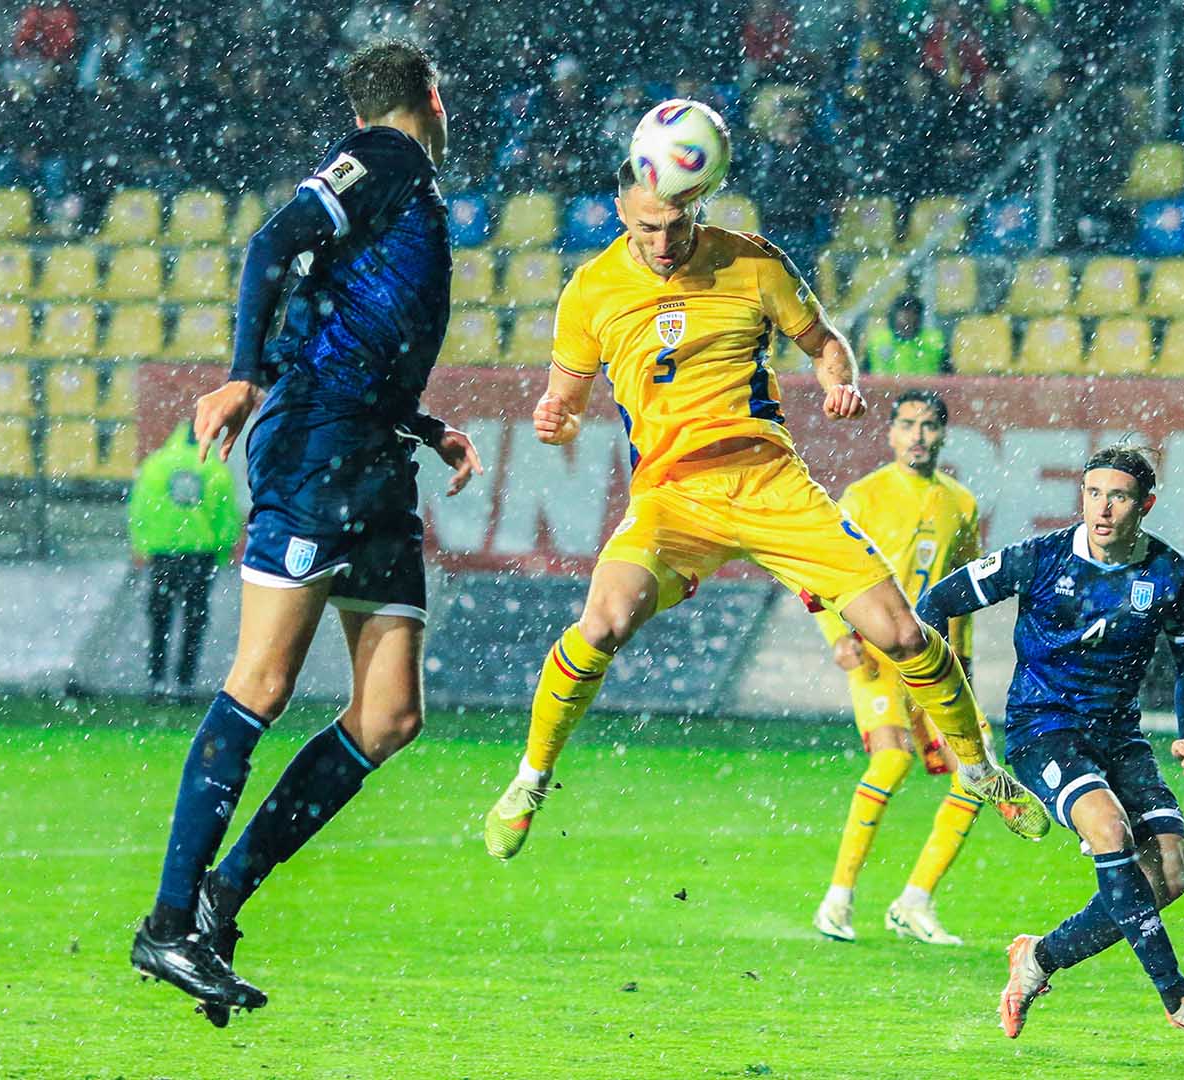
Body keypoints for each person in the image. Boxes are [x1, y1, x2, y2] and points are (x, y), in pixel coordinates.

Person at [481, 138, 1049, 862]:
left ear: (698, 202)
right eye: (644, 228)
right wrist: (552, 418)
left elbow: (824, 340)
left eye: (676, 225)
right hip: (672, 495)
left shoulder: (751, 261)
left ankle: (980, 770)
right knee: (603, 622)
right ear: (621, 213)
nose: (661, 242)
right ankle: (531, 779)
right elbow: (562, 398)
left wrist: (838, 379)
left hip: (772, 482)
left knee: (901, 634)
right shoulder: (590, 290)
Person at [129, 38, 484, 1025]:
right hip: (319, 446)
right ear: (431, 96)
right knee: (265, 681)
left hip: (372, 447)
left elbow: (341, 316)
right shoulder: (387, 158)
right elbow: (271, 245)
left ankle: (223, 895)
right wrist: (243, 371)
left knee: (389, 716)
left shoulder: (398, 184)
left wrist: (421, 424)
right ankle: (167, 925)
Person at [914, 441, 1184, 1050]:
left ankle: (1039, 959)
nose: (1101, 508)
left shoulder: (1169, 574)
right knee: (1110, 832)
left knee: (1170, 874)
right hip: (1044, 728)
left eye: (1117, 496)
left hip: (1120, 736)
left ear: (1144, 504)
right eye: (1093, 493)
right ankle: (1181, 999)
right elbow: (934, 605)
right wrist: (937, 693)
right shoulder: (1039, 558)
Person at [806, 390, 989, 946]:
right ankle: (837, 900)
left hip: (934, 661)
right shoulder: (863, 497)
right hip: (877, 655)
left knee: (978, 771)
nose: (918, 436)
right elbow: (819, 572)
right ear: (889, 433)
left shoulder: (961, 504)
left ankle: (915, 901)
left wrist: (967, 663)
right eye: (907, 425)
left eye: (929, 426)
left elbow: (963, 592)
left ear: (943, 435)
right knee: (891, 761)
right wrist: (838, 635)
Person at [128, 422, 243, 702]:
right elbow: (227, 514)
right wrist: (223, 548)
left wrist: (142, 544)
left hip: (163, 554)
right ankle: (184, 683)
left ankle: (156, 681)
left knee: (160, 618)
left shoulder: (156, 464)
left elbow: (139, 507)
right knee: (194, 620)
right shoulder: (214, 468)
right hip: (199, 555)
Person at [864, 295, 947, 375]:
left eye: (913, 314)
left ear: (919, 318)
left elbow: (949, 379)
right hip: (881, 389)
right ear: (893, 317)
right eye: (904, 313)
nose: (909, 319)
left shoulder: (935, 342)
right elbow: (863, 376)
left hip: (927, 389)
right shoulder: (877, 341)